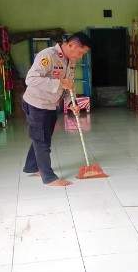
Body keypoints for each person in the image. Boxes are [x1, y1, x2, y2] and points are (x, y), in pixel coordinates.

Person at [22, 32, 92, 187]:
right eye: (80, 52)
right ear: (71, 45)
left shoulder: (71, 61)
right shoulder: (48, 55)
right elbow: (31, 79)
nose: (80, 57)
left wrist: (70, 102)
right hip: (36, 103)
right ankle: (48, 177)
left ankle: (32, 166)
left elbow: (68, 86)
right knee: (42, 140)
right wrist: (60, 83)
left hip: (51, 104)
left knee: (42, 136)